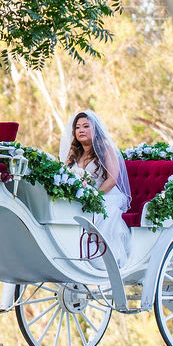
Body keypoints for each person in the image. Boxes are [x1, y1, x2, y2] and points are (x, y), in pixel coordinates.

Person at [59, 109, 131, 257]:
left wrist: (94, 197)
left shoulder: (106, 150)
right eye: (77, 127)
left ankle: (99, 255)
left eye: (86, 126)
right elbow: (64, 176)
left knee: (101, 215)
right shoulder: (73, 154)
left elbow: (112, 179)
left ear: (95, 129)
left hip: (105, 196)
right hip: (81, 198)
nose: (81, 130)